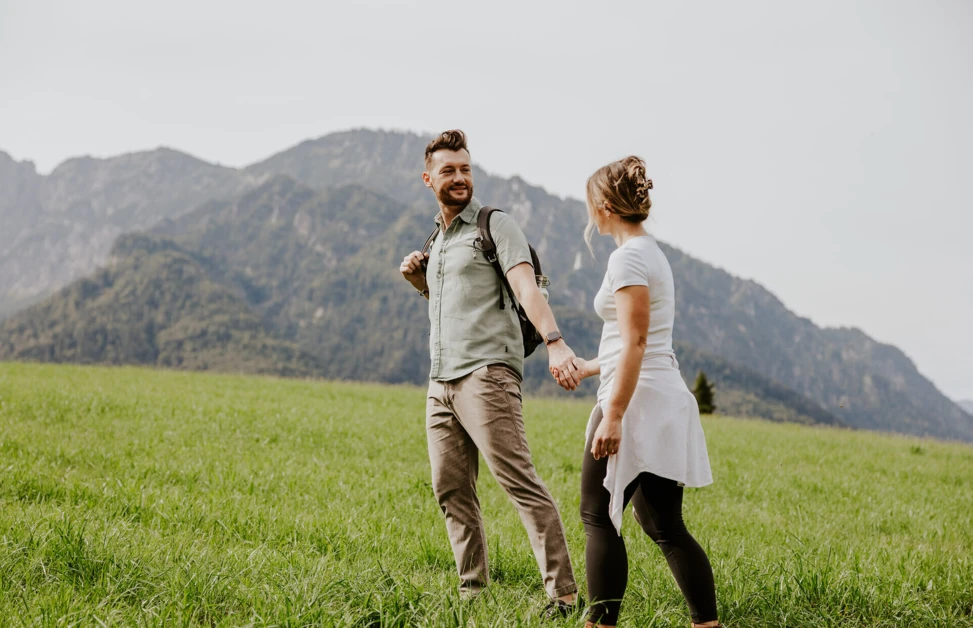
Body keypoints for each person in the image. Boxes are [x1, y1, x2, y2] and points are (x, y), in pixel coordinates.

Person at [399, 129, 584, 618]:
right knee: (451, 488)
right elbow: (452, 305)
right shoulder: (437, 240)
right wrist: (419, 280)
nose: (459, 178)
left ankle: (563, 596)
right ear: (428, 179)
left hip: (487, 375)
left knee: (518, 480)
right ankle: (472, 594)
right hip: (440, 383)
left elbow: (526, 288)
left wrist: (555, 342)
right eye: (448, 171)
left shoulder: (494, 224)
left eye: (465, 169)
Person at [554, 156, 721, 628]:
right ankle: (707, 624)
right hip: (659, 392)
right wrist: (589, 367)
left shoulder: (627, 257)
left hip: (636, 399)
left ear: (605, 206)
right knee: (665, 527)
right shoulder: (651, 252)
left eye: (591, 202)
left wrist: (613, 415)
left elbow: (637, 342)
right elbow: (638, 340)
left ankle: (599, 624)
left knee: (597, 517)